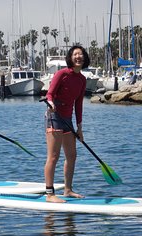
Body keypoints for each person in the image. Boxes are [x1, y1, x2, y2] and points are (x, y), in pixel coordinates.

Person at [44, 45, 90, 203]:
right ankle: (50, 194)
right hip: (54, 117)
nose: (79, 56)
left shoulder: (82, 80)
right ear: (70, 58)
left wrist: (80, 128)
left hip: (68, 119)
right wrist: (50, 103)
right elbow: (49, 94)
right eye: (75, 54)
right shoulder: (61, 74)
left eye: (81, 54)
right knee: (54, 156)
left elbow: (78, 104)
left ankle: (67, 190)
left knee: (72, 156)